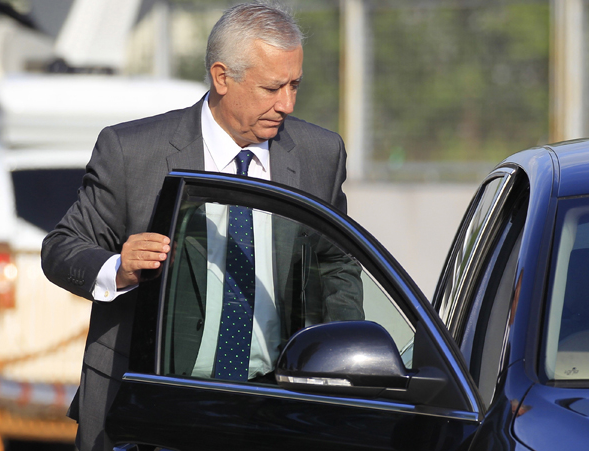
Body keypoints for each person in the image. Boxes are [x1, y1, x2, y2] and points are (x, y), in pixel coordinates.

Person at [41, 3, 361, 450]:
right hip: (149, 407)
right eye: (272, 88)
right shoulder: (132, 152)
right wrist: (118, 268)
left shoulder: (318, 154)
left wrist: (349, 367)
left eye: (294, 85)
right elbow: (61, 248)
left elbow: (336, 265)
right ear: (222, 77)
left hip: (274, 407)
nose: (286, 104)